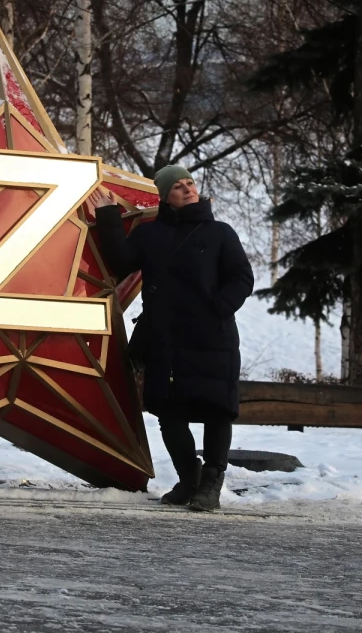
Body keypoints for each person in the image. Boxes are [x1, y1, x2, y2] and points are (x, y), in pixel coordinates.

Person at [94, 166, 254, 512]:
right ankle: (189, 479)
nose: (187, 189)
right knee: (168, 410)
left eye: (189, 183)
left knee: (216, 411)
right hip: (165, 336)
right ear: (165, 196)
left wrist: (219, 308)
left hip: (213, 335)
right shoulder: (150, 235)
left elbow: (242, 276)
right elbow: (121, 260)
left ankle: (211, 485)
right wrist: (107, 215)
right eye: (178, 187)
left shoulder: (220, 233)